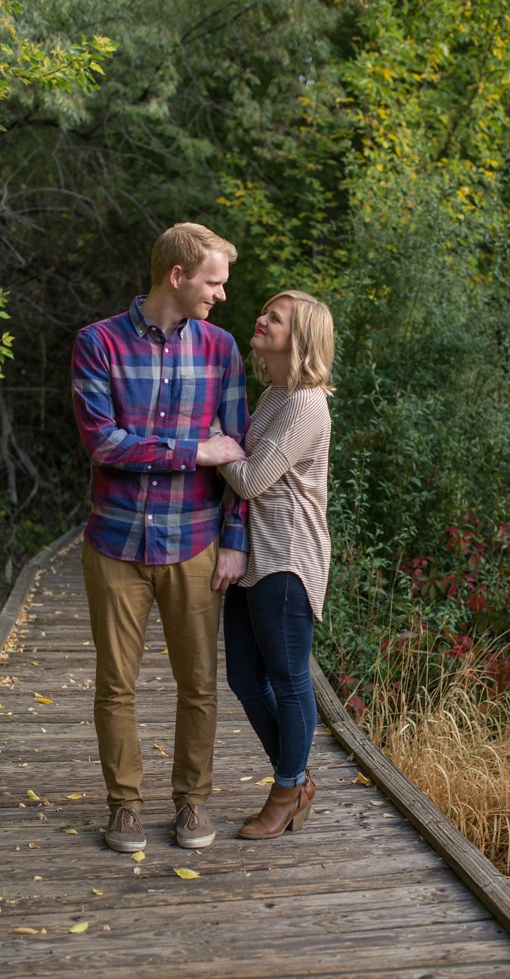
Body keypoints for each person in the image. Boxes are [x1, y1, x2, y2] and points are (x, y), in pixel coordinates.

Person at [71, 221, 251, 854]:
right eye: (213, 282)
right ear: (178, 277)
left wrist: (236, 538)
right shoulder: (99, 344)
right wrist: (194, 450)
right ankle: (124, 804)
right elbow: (104, 443)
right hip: (115, 541)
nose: (221, 295)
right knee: (116, 684)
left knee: (199, 683)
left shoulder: (221, 349)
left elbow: (238, 454)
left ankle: (191, 803)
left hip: (196, 541)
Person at [216, 290, 335, 839]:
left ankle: (287, 789)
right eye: (262, 310)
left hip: (288, 555)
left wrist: (213, 442)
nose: (260, 319)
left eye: (275, 317)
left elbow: (250, 479)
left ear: (302, 337)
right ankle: (298, 779)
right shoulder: (272, 396)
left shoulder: (307, 402)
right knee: (245, 677)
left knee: (289, 681)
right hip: (252, 555)